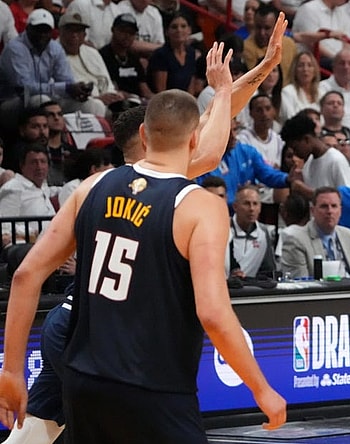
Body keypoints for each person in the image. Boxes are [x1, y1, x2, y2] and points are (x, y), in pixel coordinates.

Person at [0, 44, 286, 442]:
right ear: (189, 141)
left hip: (79, 338)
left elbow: (26, 273)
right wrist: (261, 387)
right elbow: (214, 314)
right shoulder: (193, 200)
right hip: (134, 361)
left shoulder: (97, 183)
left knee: (43, 427)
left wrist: (11, 370)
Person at [280, 186, 350, 278]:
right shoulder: (296, 240)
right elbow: (299, 284)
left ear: (340, 211)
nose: (330, 211)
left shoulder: (348, 235)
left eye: (334, 206)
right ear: (313, 211)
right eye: (324, 206)